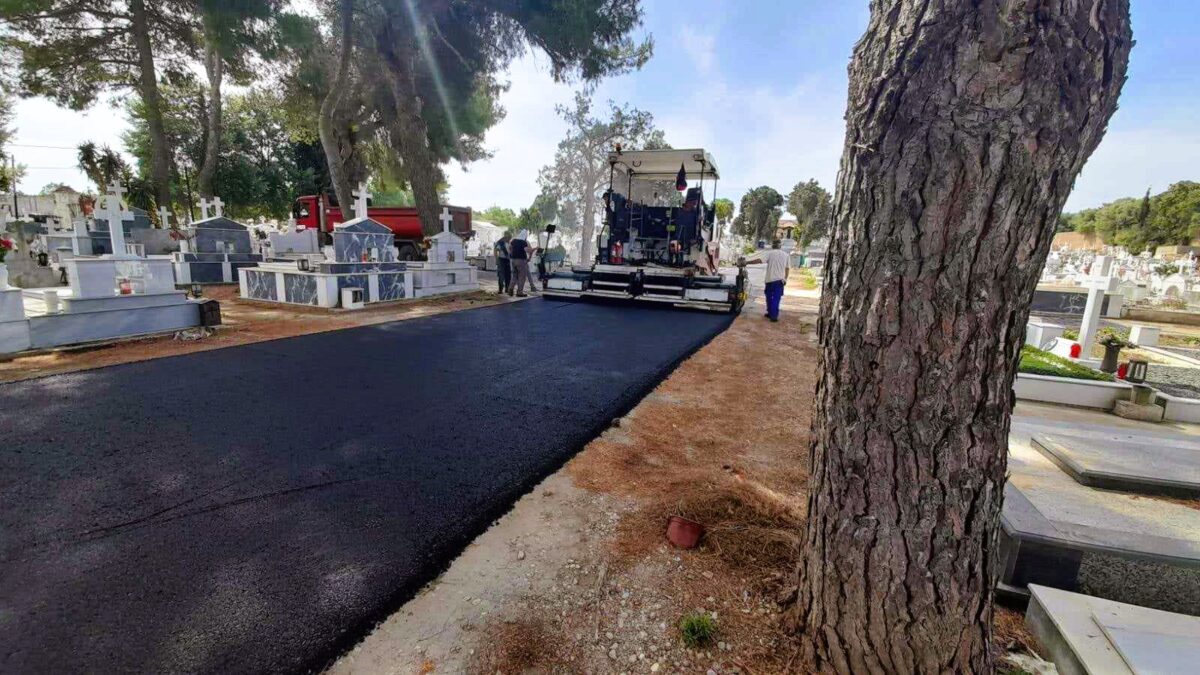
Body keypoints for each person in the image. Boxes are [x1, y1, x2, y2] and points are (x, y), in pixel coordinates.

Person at [744, 239, 790, 321]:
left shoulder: (770, 253)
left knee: (769, 297)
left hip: (770, 280)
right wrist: (785, 279)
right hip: (779, 281)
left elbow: (759, 261)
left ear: (773, 245)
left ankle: (771, 314)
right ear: (780, 246)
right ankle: (773, 316)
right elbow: (787, 268)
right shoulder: (786, 255)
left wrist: (747, 262)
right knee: (776, 298)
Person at [509, 229, 537, 297]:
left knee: (514, 276)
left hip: (513, 260)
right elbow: (528, 251)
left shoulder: (514, 241)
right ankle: (519, 292)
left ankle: (510, 289)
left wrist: (512, 254)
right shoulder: (523, 242)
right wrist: (535, 248)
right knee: (522, 277)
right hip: (521, 260)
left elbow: (510, 248)